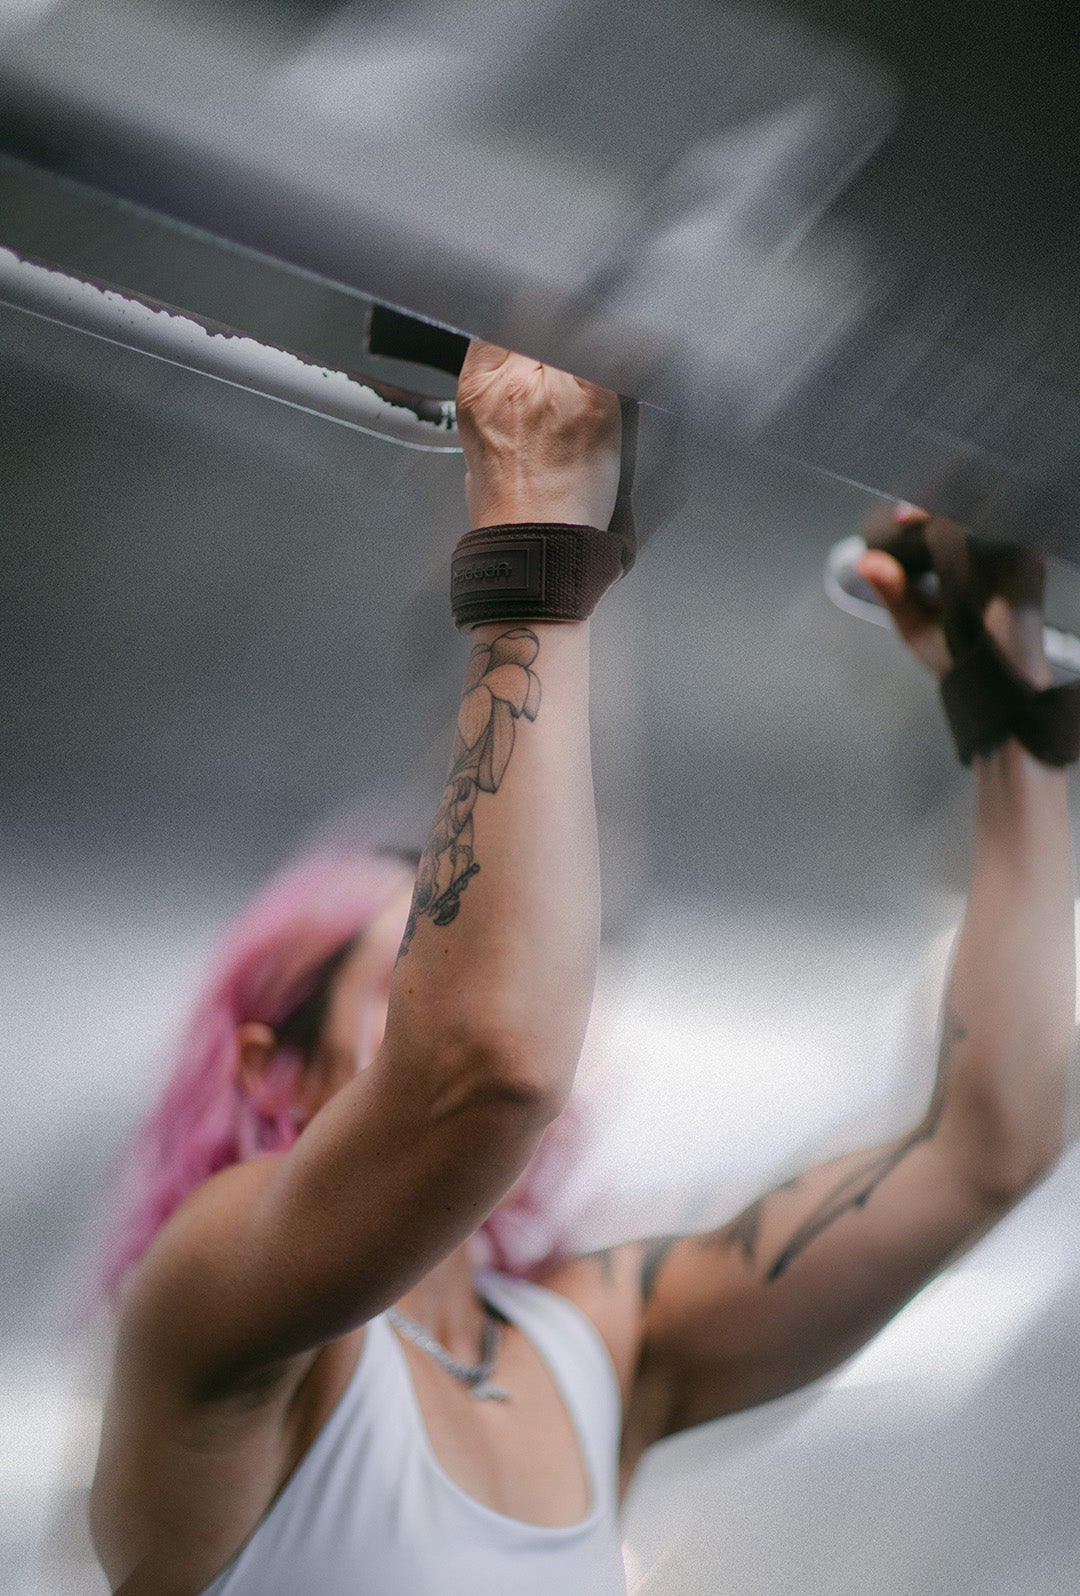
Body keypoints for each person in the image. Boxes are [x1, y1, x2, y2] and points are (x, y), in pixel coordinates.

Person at [88, 342, 1077, 1595]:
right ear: (268, 1062)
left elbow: (994, 1144)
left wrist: (1013, 717)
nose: (469, 972)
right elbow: (485, 1065)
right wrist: (533, 518)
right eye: (413, 960)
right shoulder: (214, 1308)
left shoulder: (598, 1342)